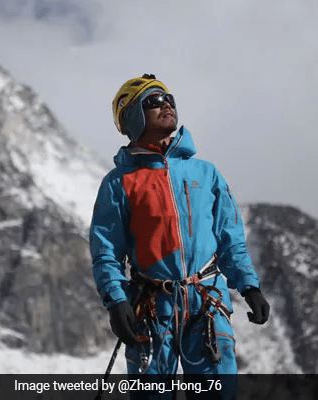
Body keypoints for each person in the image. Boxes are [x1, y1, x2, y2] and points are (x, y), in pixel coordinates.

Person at [90, 74, 270, 399]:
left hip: (208, 302)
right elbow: (106, 251)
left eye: (168, 98)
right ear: (132, 116)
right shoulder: (119, 183)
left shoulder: (206, 173)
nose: (166, 104)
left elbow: (230, 237)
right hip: (152, 306)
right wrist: (116, 301)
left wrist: (249, 285)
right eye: (153, 101)